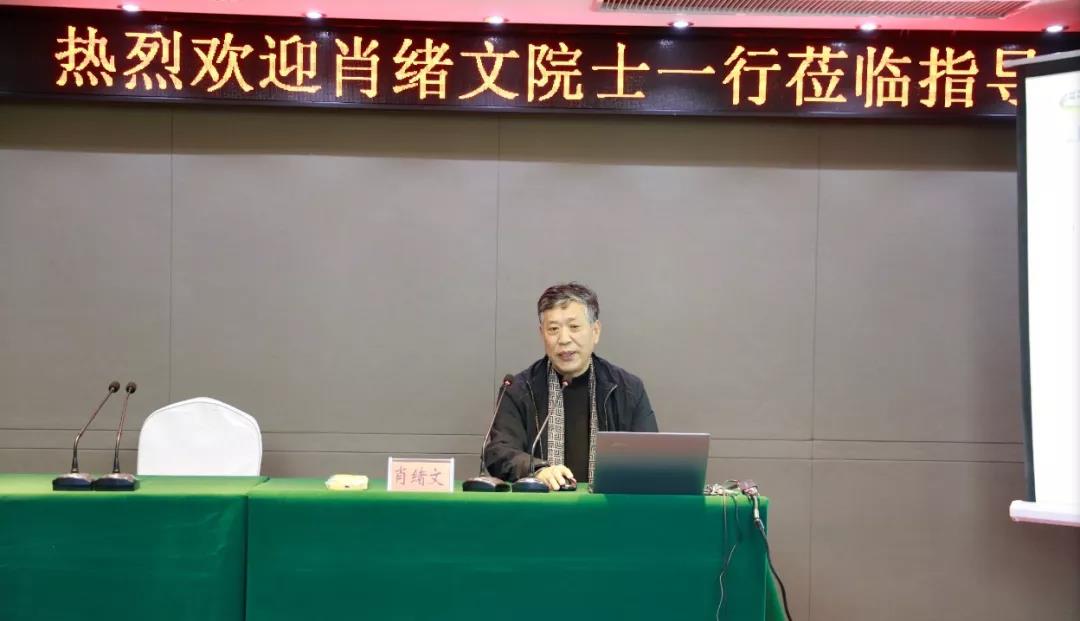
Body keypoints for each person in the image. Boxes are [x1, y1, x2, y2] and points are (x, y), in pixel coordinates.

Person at [484, 282, 658, 490]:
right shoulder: (518, 389)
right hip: (540, 506)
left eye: (574, 327)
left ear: (595, 331)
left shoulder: (627, 389)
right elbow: (499, 452)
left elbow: (650, 457)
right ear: (542, 334)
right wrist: (537, 470)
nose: (564, 339)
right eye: (553, 329)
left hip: (608, 507)